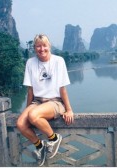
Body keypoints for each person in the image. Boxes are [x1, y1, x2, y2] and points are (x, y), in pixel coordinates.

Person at [16, 34, 74, 166]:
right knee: (20, 124)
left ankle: (53, 138)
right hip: (37, 101)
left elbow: (62, 88)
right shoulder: (30, 63)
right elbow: (30, 90)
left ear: (49, 46)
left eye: (44, 45)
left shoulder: (58, 61)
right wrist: (27, 108)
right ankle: (39, 145)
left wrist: (69, 109)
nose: (41, 49)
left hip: (55, 101)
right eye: (38, 46)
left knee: (33, 115)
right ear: (34, 48)